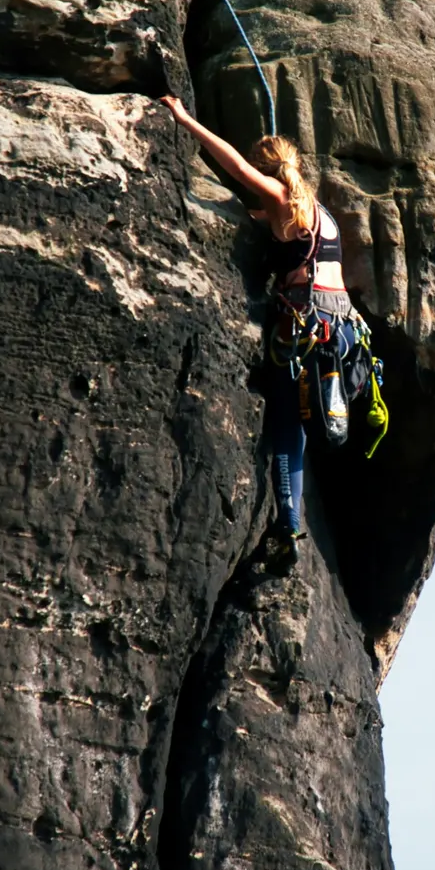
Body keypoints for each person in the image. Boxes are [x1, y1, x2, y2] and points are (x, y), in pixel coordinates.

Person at [157, 94, 361, 540]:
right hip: (341, 325)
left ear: (269, 172)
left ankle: (287, 526)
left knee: (288, 424)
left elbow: (238, 171)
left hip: (308, 322)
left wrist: (184, 119)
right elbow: (259, 215)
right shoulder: (318, 212)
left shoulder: (283, 197)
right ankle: (289, 522)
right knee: (306, 424)